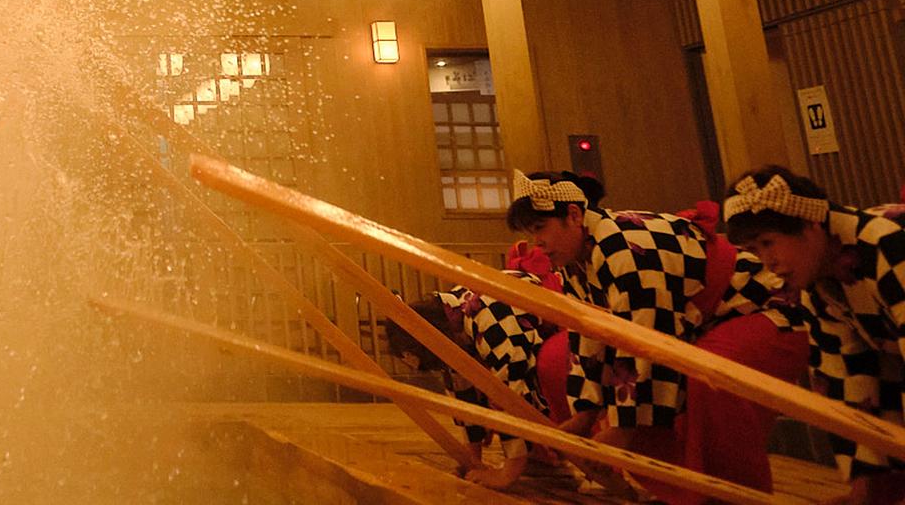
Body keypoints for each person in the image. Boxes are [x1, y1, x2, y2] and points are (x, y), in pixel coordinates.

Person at [506, 168, 808, 504]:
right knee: (555, 358)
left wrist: (623, 427)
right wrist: (586, 413)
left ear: (574, 215)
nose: (537, 243)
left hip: (769, 308)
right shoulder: (573, 264)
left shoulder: (623, 245)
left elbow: (645, 337)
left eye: (539, 228)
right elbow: (586, 333)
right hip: (697, 324)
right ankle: (679, 488)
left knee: (709, 376)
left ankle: (729, 496)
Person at [723, 165, 905, 505]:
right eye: (755, 249)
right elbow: (851, 385)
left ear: (810, 223)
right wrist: (865, 489)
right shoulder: (817, 288)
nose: (768, 262)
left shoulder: (885, 245)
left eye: (768, 243)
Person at [383, 242, 571, 488]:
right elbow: (464, 397)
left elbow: (510, 391)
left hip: (569, 350)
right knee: (484, 384)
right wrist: (472, 460)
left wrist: (508, 472)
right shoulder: (455, 321)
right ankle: (536, 450)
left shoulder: (485, 313)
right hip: (534, 349)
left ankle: (544, 449)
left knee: (510, 385)